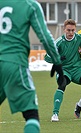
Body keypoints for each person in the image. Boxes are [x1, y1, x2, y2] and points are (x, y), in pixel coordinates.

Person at [0, 0, 64, 133]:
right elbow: (45, 36)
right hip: (13, 63)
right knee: (31, 115)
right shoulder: (29, 5)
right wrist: (57, 61)